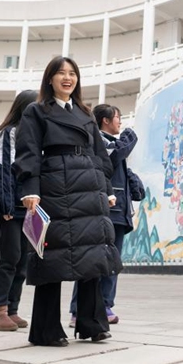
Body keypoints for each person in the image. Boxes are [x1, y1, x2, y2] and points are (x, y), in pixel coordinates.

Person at [14, 56, 120, 347]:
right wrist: (30, 189)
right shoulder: (36, 111)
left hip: (89, 186)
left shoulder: (85, 113)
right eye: (60, 73)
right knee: (53, 257)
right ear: (50, 79)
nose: (67, 78)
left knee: (92, 256)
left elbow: (100, 156)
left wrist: (107, 187)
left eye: (72, 73)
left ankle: (91, 323)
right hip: (54, 186)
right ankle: (46, 330)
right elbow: (28, 152)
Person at [69, 105, 138, 326]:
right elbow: (111, 159)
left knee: (111, 262)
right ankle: (80, 309)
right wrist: (129, 138)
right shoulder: (98, 139)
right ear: (105, 120)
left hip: (119, 213)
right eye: (118, 117)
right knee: (91, 261)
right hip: (105, 209)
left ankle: (104, 305)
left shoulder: (110, 141)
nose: (121, 122)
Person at [0, 90, 38, 331]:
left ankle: (12, 309)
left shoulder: (34, 135)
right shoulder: (7, 134)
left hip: (27, 209)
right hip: (7, 208)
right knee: (7, 258)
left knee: (22, 261)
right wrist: (5, 206)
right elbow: (1, 172)